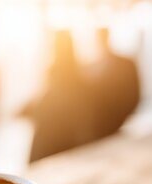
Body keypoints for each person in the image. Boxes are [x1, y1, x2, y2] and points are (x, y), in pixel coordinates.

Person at [21, 30, 96, 162]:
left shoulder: (54, 72)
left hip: (50, 140)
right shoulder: (79, 72)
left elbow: (45, 102)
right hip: (65, 141)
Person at [86, 27, 140, 139]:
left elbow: (134, 93)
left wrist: (121, 116)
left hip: (120, 122)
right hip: (98, 127)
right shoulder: (90, 67)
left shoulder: (125, 64)